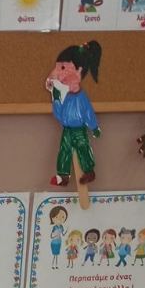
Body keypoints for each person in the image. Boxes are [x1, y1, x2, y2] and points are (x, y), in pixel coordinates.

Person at [46, 41, 102, 188]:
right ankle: (63, 175)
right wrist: (56, 100)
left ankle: (89, 171)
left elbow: (88, 112)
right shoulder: (66, 97)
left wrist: (94, 127)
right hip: (67, 129)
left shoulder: (81, 98)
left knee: (83, 148)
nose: (58, 73)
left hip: (79, 130)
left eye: (63, 67)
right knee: (64, 150)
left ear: (78, 70)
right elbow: (60, 115)